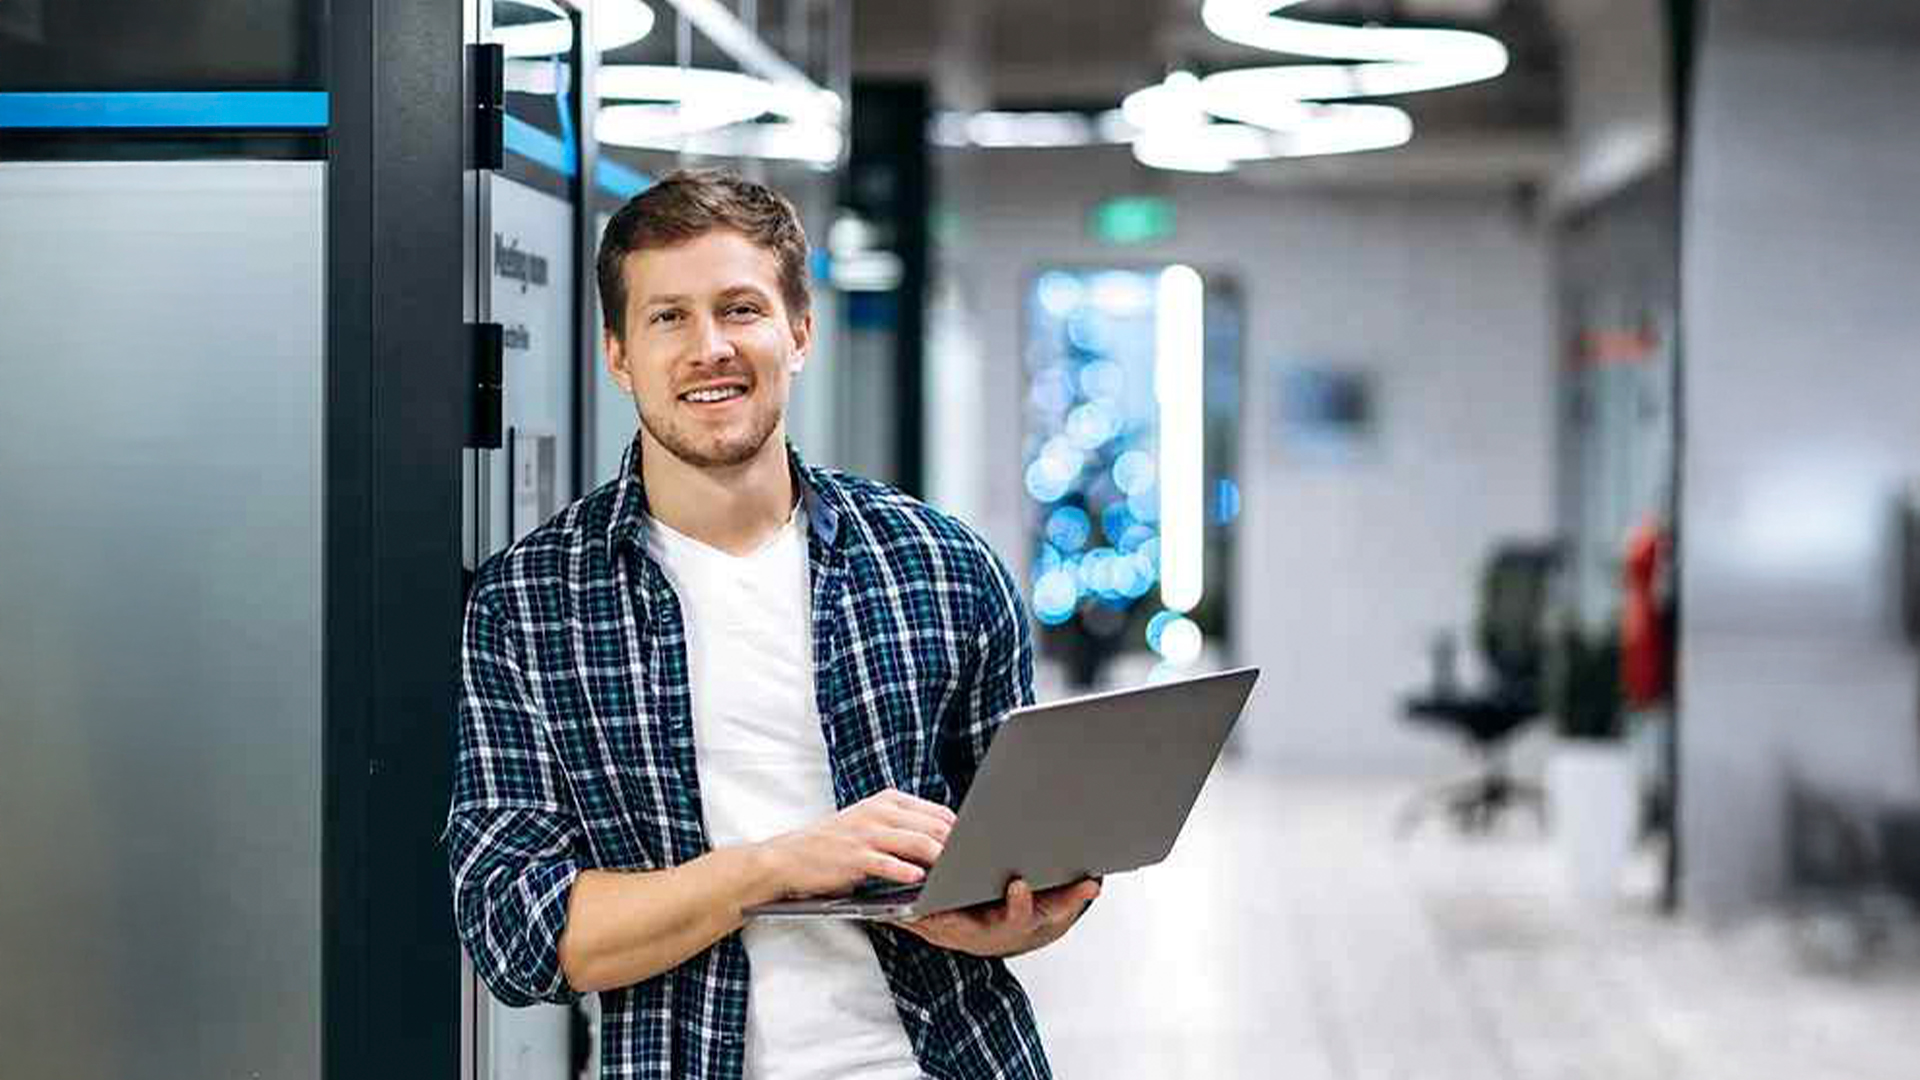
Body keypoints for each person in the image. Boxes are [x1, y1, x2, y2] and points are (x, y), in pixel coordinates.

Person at [446, 168, 1099, 1080]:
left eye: (741, 309)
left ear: (799, 332)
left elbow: (1029, 857)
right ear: (618, 354)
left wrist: (1025, 913)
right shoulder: (530, 603)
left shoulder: (943, 567)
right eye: (668, 317)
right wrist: (780, 866)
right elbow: (518, 933)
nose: (709, 347)